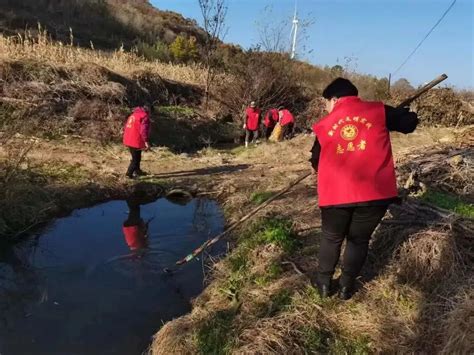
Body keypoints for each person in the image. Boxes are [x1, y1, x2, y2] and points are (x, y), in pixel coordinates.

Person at [310, 78, 419, 300]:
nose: (326, 108)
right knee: (358, 240)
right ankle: (346, 287)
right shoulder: (379, 111)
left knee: (332, 238)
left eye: (326, 103)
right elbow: (408, 125)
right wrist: (406, 113)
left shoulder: (324, 125)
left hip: (336, 195)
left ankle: (323, 284)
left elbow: (315, 161)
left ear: (334, 99)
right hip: (375, 193)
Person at [123, 105, 151, 179]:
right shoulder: (144, 117)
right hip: (135, 140)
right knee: (135, 159)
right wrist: (146, 141)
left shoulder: (133, 115)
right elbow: (143, 131)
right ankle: (128, 174)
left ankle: (137, 171)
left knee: (137, 156)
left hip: (128, 138)